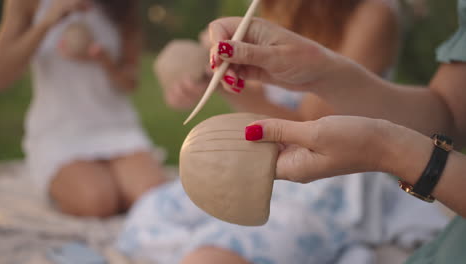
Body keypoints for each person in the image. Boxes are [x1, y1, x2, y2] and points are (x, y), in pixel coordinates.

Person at [199, 0, 466, 262]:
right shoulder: (279, 8)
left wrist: (387, 149)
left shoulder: (373, 12)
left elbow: (310, 125)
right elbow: (450, 116)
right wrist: (323, 72)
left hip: (334, 180)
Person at [0, 0, 166, 217]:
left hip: (116, 129)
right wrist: (46, 23)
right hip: (59, 132)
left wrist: (102, 59)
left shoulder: (122, 5)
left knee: (153, 197)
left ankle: (109, 179)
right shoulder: (27, 3)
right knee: (98, 202)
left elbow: (130, 82)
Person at [166, 0, 400, 121]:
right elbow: (261, 94)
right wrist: (215, 78)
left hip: (332, 173)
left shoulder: (373, 14)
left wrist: (229, 88)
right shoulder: (285, 7)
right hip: (274, 154)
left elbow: (310, 126)